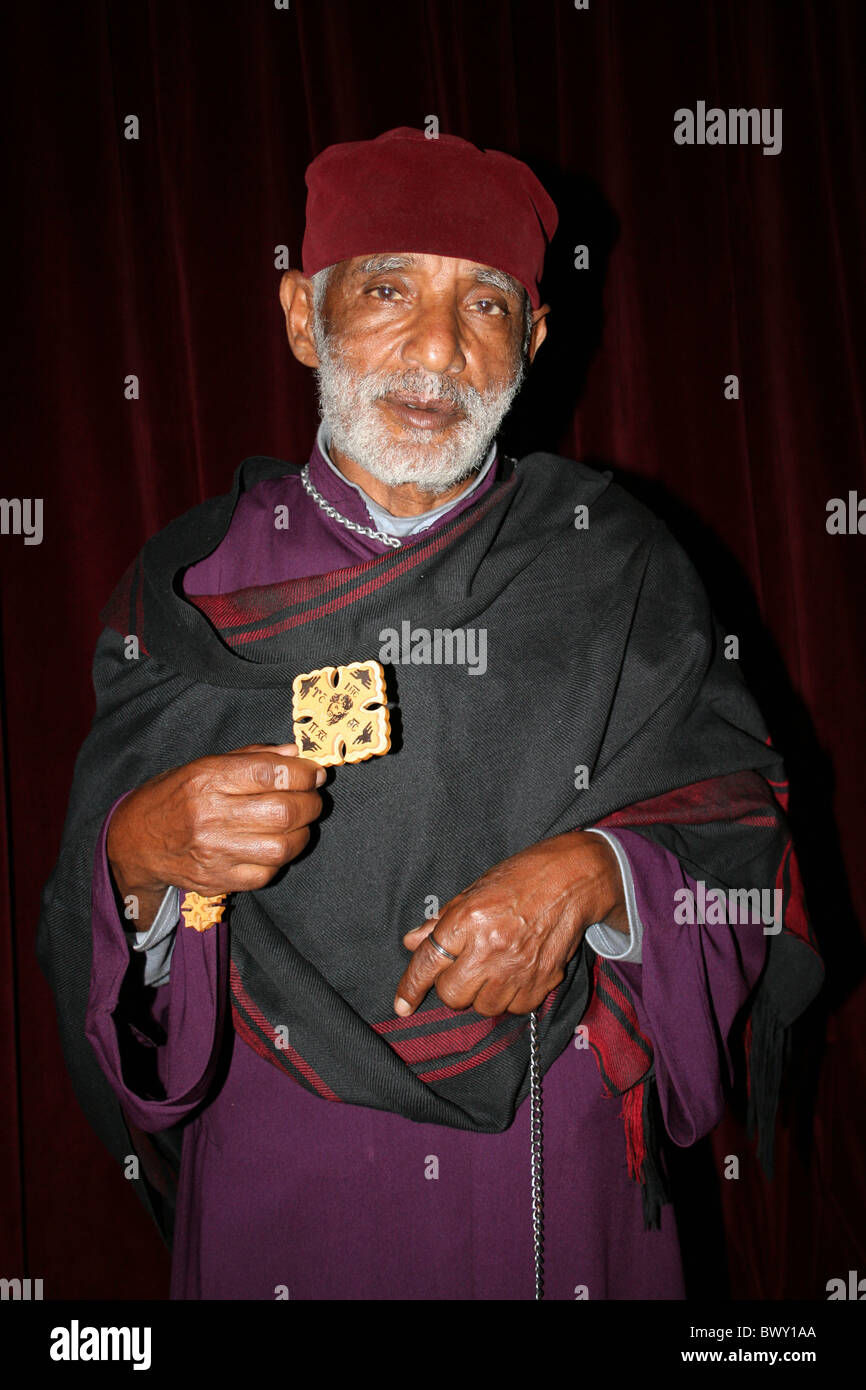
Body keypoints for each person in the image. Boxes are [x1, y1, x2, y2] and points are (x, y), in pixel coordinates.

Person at [38, 127, 822, 1300]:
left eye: (487, 307)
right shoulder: (195, 590)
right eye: (388, 291)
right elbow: (93, 911)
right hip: (285, 1174)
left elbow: (738, 828)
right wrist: (145, 859)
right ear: (304, 316)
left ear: (536, 339)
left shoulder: (617, 566)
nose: (437, 352)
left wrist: (599, 880)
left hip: (551, 1178)